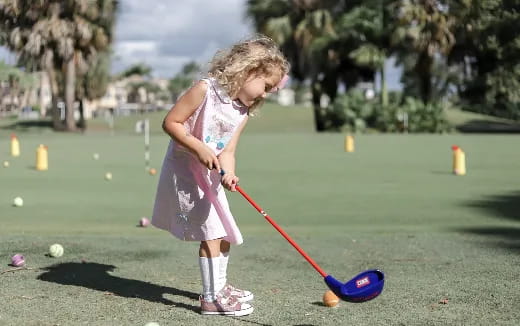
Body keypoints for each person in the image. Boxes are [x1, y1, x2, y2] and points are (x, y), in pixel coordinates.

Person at [151, 35, 290, 316]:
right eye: (265, 86)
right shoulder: (205, 90)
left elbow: (228, 150)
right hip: (186, 172)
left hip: (211, 176)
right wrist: (199, 147)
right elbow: (171, 122)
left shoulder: (242, 110)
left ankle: (221, 287)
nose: (265, 95)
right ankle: (211, 299)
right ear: (248, 71)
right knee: (212, 234)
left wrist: (230, 173)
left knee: (223, 231)